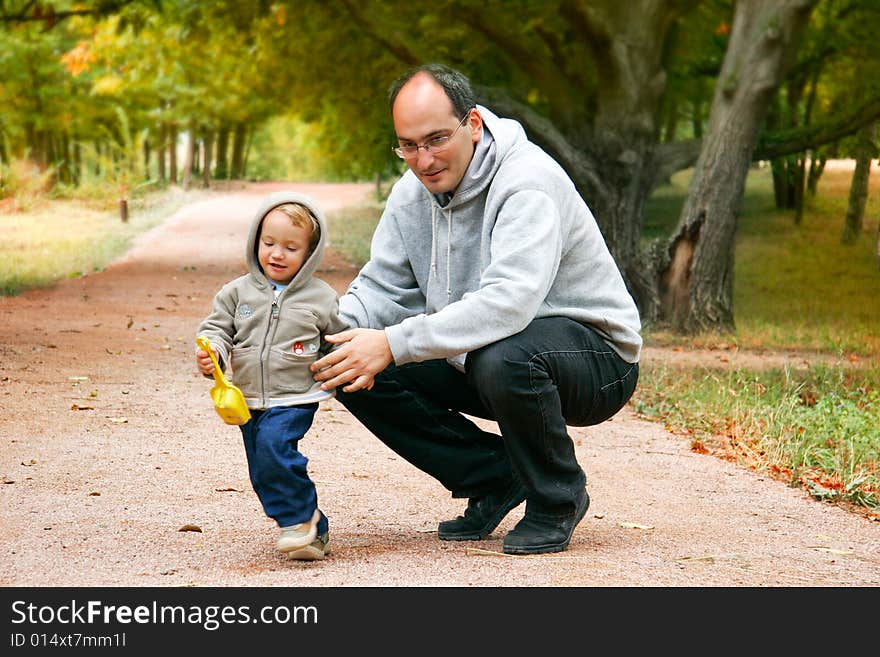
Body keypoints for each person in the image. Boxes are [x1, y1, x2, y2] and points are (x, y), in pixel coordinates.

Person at [311, 63, 642, 555]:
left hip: (595, 361)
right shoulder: (411, 194)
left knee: (501, 355)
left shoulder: (526, 181)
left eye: (436, 139)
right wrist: (308, 333)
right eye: (408, 145)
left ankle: (557, 497)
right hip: (487, 355)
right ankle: (495, 475)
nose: (423, 160)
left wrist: (395, 342)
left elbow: (510, 303)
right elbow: (381, 288)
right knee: (345, 356)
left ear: (473, 125)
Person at [196, 191, 347, 560]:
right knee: (263, 470)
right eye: (269, 243)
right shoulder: (236, 292)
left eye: (291, 248)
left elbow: (337, 339)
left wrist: (346, 370)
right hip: (248, 398)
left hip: (295, 395)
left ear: (309, 254)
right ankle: (315, 529)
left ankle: (296, 522)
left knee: (275, 448)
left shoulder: (321, 297)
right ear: (256, 241)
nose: (277, 254)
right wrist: (212, 352)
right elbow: (217, 329)